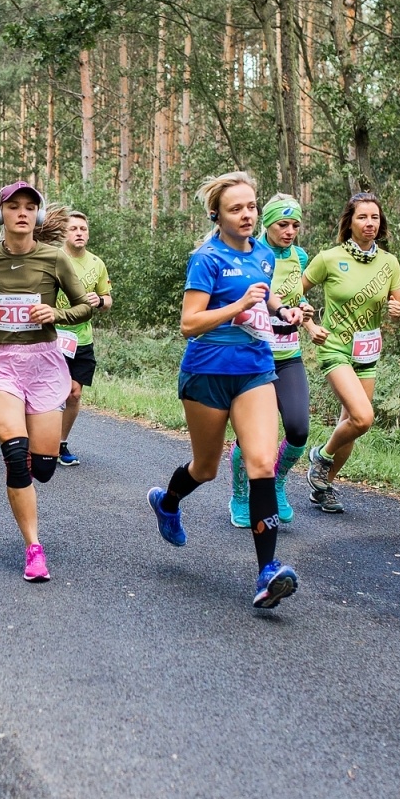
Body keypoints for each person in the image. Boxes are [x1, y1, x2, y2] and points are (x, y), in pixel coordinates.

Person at [146, 172, 303, 609]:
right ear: (217, 214)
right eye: (237, 209)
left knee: (260, 463)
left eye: (251, 206)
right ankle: (168, 501)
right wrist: (235, 308)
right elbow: (189, 323)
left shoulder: (265, 255)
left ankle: (267, 572)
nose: (247, 214)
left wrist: (286, 311)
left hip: (255, 368)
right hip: (207, 371)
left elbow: (266, 300)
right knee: (207, 466)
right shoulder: (207, 258)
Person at [0, 183, 93, 582]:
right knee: (15, 457)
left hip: (44, 364)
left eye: (30, 207)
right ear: (0, 214)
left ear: (38, 216)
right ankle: (33, 548)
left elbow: (82, 307)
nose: (22, 213)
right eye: (13, 206)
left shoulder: (54, 259)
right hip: (3, 363)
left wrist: (54, 315)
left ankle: (29, 462)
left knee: (42, 468)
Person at [300, 193, 400, 513]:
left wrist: (399, 312)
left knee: (352, 425)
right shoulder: (329, 258)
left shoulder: (389, 263)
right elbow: (293, 295)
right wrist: (309, 324)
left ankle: (323, 486)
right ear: (350, 222)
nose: (370, 223)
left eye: (375, 217)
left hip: (367, 352)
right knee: (363, 417)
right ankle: (320, 456)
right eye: (363, 217)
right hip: (334, 347)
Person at [228, 194, 322, 526]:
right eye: (283, 224)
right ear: (267, 223)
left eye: (295, 225)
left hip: (289, 355)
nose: (290, 231)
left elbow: (297, 296)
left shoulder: (299, 256)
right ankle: (240, 496)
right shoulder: (250, 254)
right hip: (255, 356)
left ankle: (278, 483)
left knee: (298, 430)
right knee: (249, 437)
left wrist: (306, 315)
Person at [55, 209, 111, 466]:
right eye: (74, 229)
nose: (79, 233)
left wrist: (99, 300)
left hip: (82, 340)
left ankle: (59, 444)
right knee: (50, 393)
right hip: (52, 337)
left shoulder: (97, 263)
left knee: (74, 394)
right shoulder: (53, 259)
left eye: (83, 229)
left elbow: (108, 299)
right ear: (64, 233)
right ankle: (38, 439)